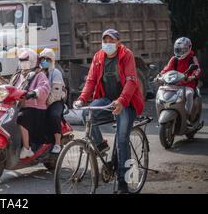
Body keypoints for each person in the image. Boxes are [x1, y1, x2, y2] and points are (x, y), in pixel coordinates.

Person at [73, 29, 144, 194]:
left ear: (118, 43)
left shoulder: (127, 55)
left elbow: (131, 81)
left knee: (121, 140)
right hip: (107, 100)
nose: (108, 44)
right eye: (105, 41)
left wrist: (121, 101)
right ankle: (101, 145)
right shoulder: (99, 57)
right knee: (85, 113)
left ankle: (123, 184)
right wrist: (82, 99)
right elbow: (90, 80)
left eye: (111, 41)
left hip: (127, 102)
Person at [10, 48, 50, 159]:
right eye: (21, 60)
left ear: (32, 61)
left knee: (21, 118)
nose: (23, 63)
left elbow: (45, 88)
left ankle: (27, 148)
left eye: (25, 60)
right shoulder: (17, 76)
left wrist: (34, 92)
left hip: (35, 107)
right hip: (18, 106)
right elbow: (11, 88)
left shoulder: (39, 74)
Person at [158, 37, 201, 117]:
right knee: (161, 92)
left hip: (188, 85)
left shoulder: (192, 58)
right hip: (174, 84)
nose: (180, 52)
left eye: (183, 50)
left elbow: (197, 69)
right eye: (178, 50)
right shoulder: (174, 59)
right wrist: (160, 75)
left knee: (188, 94)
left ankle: (187, 115)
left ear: (189, 48)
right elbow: (167, 69)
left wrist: (192, 77)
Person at [39, 48, 67, 154]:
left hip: (56, 101)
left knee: (54, 115)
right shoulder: (39, 72)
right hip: (42, 101)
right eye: (43, 59)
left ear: (52, 60)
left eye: (48, 59)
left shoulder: (56, 73)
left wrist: (45, 104)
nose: (45, 61)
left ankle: (57, 143)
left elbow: (56, 93)